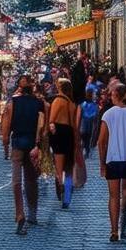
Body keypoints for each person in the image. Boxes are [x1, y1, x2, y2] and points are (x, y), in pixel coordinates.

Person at [0, 73, 45, 235]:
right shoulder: (39, 103)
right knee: (31, 179)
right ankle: (32, 213)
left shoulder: (13, 103)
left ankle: (20, 213)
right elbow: (43, 126)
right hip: (33, 144)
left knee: (16, 180)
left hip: (18, 143)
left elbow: (5, 129)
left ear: (20, 89)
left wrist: (5, 144)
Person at [99, 83, 126, 242]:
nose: (110, 96)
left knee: (113, 196)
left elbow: (101, 141)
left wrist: (102, 163)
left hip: (113, 158)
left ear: (115, 96)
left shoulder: (108, 114)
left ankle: (113, 230)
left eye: (111, 94)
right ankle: (123, 219)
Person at [48, 79, 79, 209]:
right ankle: (67, 197)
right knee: (69, 166)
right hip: (69, 133)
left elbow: (51, 120)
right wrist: (77, 140)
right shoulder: (72, 104)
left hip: (59, 132)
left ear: (61, 88)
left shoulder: (57, 101)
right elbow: (74, 124)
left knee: (59, 166)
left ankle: (60, 186)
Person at [80, 87, 100, 158]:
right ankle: (86, 152)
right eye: (94, 94)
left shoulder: (82, 105)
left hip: (84, 127)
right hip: (89, 127)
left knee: (85, 141)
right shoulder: (95, 106)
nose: (95, 96)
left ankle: (85, 151)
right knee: (87, 141)